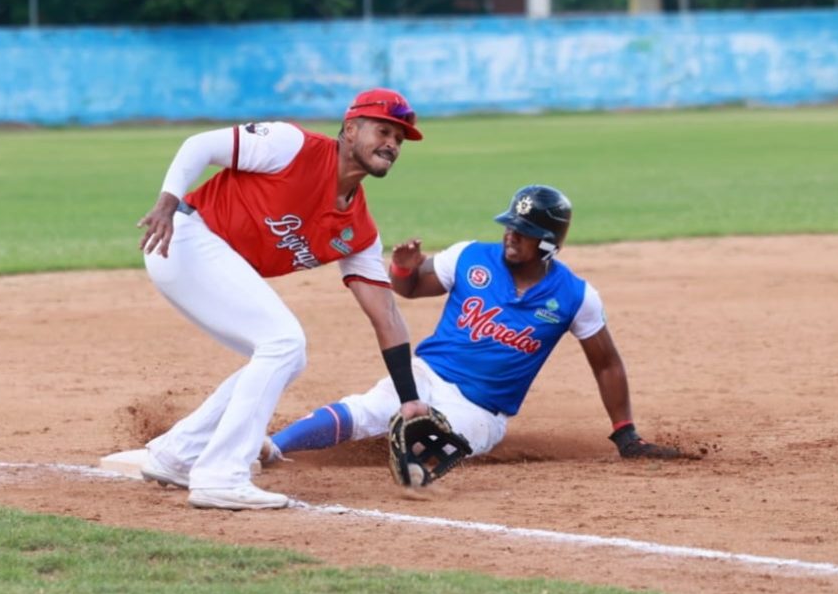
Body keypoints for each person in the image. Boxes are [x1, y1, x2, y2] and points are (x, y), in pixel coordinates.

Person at [135, 88, 434, 510]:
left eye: (399, 139)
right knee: (284, 343)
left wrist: (409, 398)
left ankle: (177, 454)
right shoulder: (291, 146)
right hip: (183, 238)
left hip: (206, 257)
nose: (392, 144)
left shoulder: (359, 232)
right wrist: (167, 202)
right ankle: (221, 474)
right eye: (383, 131)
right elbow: (199, 145)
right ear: (351, 129)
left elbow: (385, 314)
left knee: (286, 356)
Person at [265, 184, 682, 472]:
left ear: (549, 242)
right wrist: (403, 269)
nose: (511, 236)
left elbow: (607, 364)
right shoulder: (469, 257)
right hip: (426, 374)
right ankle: (269, 448)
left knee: (437, 440)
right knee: (369, 408)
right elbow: (410, 288)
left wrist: (625, 434)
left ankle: (411, 462)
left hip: (482, 411)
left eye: (525, 232)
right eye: (510, 225)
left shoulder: (575, 296)